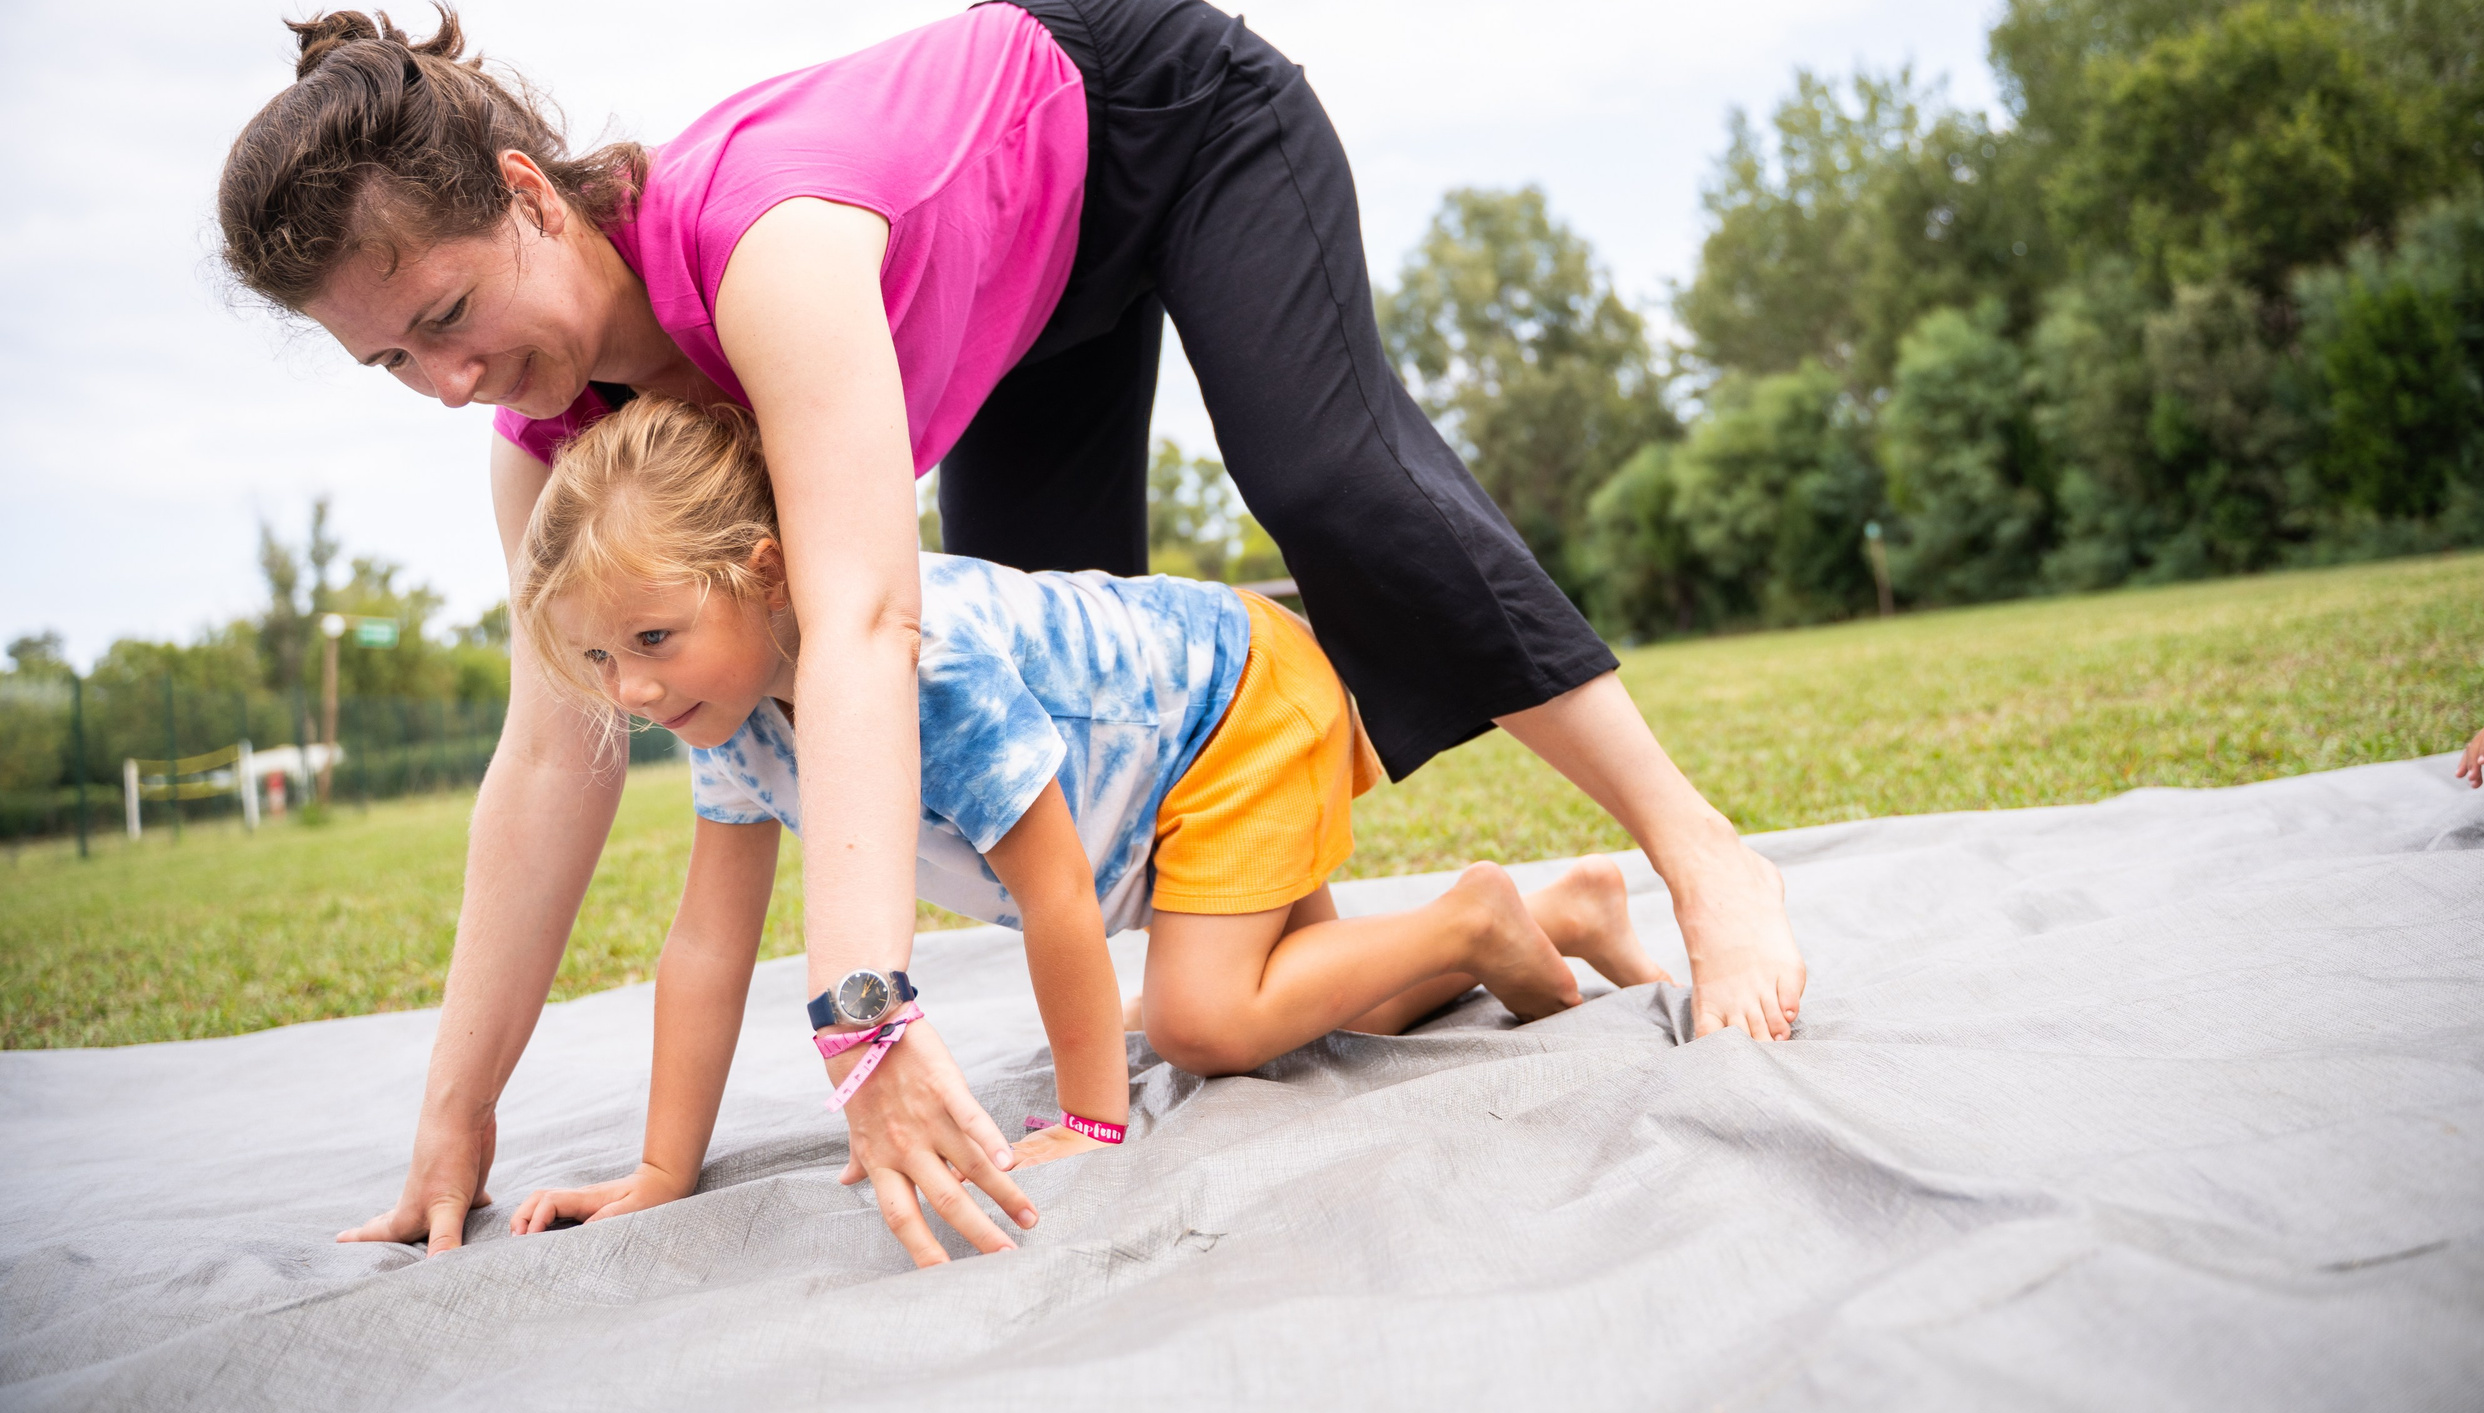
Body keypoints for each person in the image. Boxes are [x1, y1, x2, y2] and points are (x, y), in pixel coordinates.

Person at [216, 0, 1804, 1271]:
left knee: (1329, 473)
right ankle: (1424, 941)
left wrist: (865, 1013)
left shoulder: (759, 246)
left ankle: (1694, 845)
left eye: (443, 318)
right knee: (1080, 768)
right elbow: (549, 752)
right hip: (1027, 312)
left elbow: (862, 620)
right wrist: (458, 1112)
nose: (447, 382)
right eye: (391, 367)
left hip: (1160, 129)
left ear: (522, 200)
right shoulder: (547, 449)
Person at [499, 396, 1669, 1252]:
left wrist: (1089, 1121)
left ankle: (1474, 918)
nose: (633, 692)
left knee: (1200, 1022)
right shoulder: (734, 715)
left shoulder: (919, 667)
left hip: (1232, 702)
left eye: (653, 641)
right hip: (1184, 741)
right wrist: (661, 1170)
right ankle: (1560, 909)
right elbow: (707, 947)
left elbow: (1055, 888)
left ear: (763, 575)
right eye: (599, 659)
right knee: (1289, 1002)